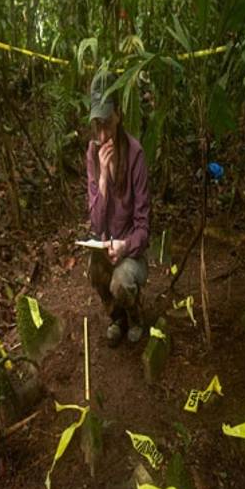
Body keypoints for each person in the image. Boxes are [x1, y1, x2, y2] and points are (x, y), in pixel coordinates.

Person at [86, 70, 150, 345]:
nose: (103, 135)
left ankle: (135, 315)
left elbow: (144, 227)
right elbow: (97, 225)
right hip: (106, 248)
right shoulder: (93, 153)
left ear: (119, 116)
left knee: (121, 281)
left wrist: (125, 246)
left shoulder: (135, 154)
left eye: (107, 124)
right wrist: (101, 179)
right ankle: (117, 317)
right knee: (94, 270)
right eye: (97, 126)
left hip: (132, 254)